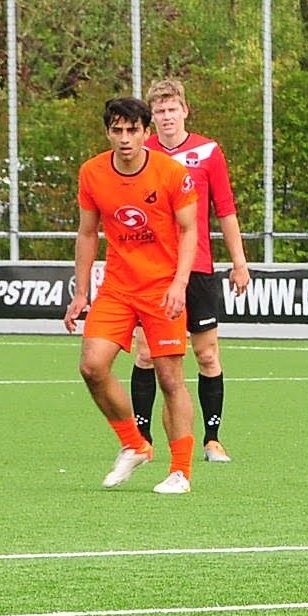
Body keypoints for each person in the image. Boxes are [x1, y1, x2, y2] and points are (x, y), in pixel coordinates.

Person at [64, 96, 201, 494]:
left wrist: (179, 283)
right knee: (91, 366)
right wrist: (80, 291)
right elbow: (88, 234)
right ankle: (134, 444)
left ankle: (181, 471)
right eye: (117, 130)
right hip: (118, 288)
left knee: (170, 378)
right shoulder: (91, 173)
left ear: (146, 132)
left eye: (132, 130)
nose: (125, 138)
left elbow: (190, 230)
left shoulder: (171, 173)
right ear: (108, 132)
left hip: (162, 289)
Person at [129, 78, 252, 464]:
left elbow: (225, 209)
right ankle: (141, 439)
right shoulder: (140, 152)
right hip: (153, 271)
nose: (166, 117)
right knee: (146, 352)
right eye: (159, 111)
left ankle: (212, 439)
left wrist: (239, 262)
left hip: (198, 269)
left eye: (172, 109)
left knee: (207, 355)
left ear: (184, 110)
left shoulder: (207, 152)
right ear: (152, 117)